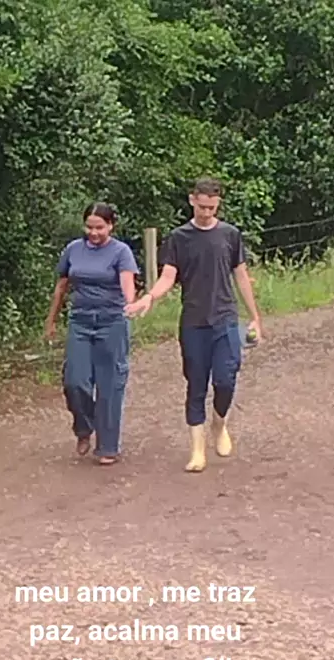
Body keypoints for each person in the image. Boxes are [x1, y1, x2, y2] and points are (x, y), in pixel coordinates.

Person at [125, 176, 262, 473]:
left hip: (226, 318)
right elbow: (168, 276)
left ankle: (219, 424)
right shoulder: (179, 238)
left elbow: (241, 275)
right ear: (192, 200)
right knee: (196, 384)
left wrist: (255, 316)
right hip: (193, 322)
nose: (206, 212)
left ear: (218, 203)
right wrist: (149, 297)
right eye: (202, 207)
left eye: (212, 208)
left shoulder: (230, 235)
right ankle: (197, 450)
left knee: (226, 379)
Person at [44, 202, 139, 465]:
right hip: (80, 321)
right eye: (89, 227)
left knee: (110, 384)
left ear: (111, 226)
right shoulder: (74, 249)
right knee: (74, 381)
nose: (94, 233)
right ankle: (84, 427)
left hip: (112, 321)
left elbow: (127, 281)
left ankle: (108, 446)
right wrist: (51, 321)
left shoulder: (121, 251)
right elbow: (61, 286)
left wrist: (130, 303)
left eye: (99, 227)